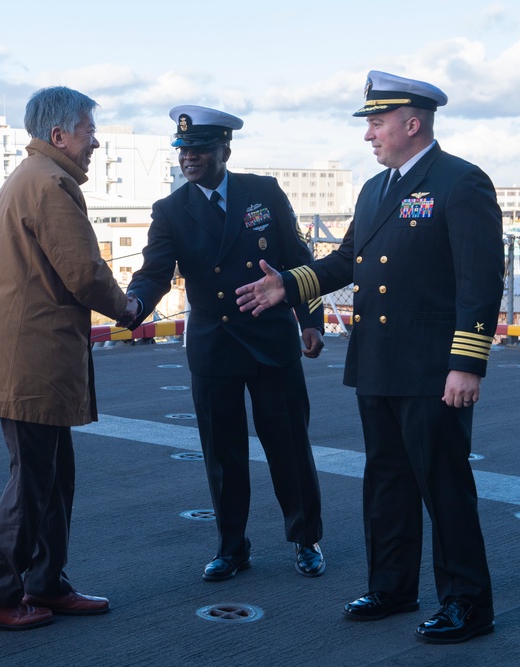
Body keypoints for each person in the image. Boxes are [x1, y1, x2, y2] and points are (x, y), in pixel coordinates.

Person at [236, 71, 503, 644]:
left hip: (434, 368)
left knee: (444, 484)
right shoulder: (376, 189)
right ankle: (392, 586)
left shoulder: (461, 182)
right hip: (379, 361)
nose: (369, 136)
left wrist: (467, 363)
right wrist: (290, 282)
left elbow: (480, 283)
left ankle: (467, 602)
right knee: (386, 482)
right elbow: (345, 261)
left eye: (377, 123)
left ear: (413, 123)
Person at [0, 86, 138, 631]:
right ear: (58, 135)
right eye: (88, 132)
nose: (95, 142)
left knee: (54, 477)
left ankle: (45, 582)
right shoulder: (50, 183)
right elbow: (83, 270)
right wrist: (126, 307)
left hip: (31, 354)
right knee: (34, 480)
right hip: (30, 358)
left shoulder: (29, 177)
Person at [126, 105, 327, 583]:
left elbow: (298, 259)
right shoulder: (171, 211)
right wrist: (133, 304)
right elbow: (156, 271)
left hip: (270, 338)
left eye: (198, 149)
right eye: (182, 150)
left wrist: (310, 320)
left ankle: (306, 538)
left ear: (224, 150)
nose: (188, 158)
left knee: (289, 447)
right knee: (223, 454)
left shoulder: (263, 192)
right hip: (215, 345)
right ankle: (232, 547)